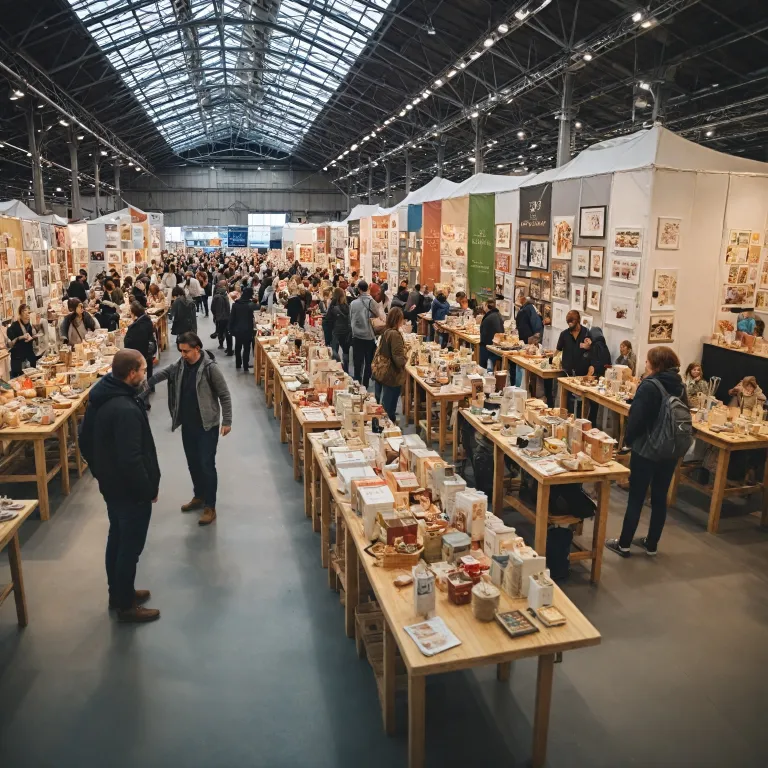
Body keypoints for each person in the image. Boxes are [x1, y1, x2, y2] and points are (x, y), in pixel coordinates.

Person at [80, 349, 161, 623]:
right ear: (131, 373)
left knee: (117, 538)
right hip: (129, 491)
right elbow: (131, 459)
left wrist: (101, 472)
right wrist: (147, 489)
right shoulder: (124, 409)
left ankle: (118, 592)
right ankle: (126, 606)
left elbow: (84, 440)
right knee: (129, 547)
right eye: (143, 370)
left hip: (112, 487)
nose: (145, 374)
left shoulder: (102, 397)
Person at [606, 346, 688, 557]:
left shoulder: (649, 386)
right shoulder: (680, 386)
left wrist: (628, 441)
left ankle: (624, 544)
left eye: (648, 360)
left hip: (646, 449)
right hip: (670, 450)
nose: (645, 363)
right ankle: (652, 544)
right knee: (660, 497)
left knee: (636, 497)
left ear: (656, 364)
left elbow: (637, 419)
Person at [147, 332, 232, 526]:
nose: (183, 354)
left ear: (197, 349)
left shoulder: (210, 368)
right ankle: (199, 496)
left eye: (186, 351)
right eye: (181, 351)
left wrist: (227, 420)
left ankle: (210, 506)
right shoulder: (180, 365)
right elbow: (163, 374)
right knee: (193, 463)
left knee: (206, 464)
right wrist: (143, 385)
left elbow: (224, 394)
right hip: (188, 424)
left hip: (207, 425)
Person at [372, 307, 407, 423]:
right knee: (390, 404)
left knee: (387, 401)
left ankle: (387, 422)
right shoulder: (395, 334)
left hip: (386, 371)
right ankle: (387, 424)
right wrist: (406, 362)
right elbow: (398, 358)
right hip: (392, 374)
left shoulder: (386, 332)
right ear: (398, 319)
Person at [349, 280, 381, 387]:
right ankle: (366, 385)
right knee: (368, 363)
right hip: (369, 336)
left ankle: (357, 384)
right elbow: (378, 315)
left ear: (358, 289)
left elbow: (351, 318)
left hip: (356, 336)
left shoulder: (353, 303)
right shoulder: (372, 302)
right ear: (367, 289)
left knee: (357, 363)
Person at [228, 286, 259, 372]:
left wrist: (230, 329)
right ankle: (245, 366)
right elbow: (259, 308)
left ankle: (238, 364)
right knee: (246, 348)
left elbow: (232, 318)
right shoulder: (251, 305)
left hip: (237, 330)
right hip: (248, 330)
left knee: (238, 347)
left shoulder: (236, 304)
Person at [124, 301, 156, 381]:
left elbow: (128, 344)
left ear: (134, 313)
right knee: (149, 373)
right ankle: (150, 385)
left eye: (130, 312)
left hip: (140, 355)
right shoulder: (147, 321)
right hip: (149, 351)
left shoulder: (135, 327)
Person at [7, 304, 38, 376]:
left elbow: (33, 337)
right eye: (24, 311)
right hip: (18, 358)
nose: (27, 313)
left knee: (33, 377)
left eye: (28, 311)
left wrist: (33, 337)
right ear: (20, 313)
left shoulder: (29, 325)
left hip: (29, 356)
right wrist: (21, 337)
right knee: (19, 379)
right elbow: (10, 344)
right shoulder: (14, 326)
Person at [328, 287, 351, 372]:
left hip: (336, 331)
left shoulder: (333, 307)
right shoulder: (347, 306)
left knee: (334, 351)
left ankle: (337, 368)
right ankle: (346, 370)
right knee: (346, 351)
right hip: (346, 331)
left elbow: (328, 319)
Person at [479, 299, 504, 371]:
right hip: (496, 345)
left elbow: (484, 334)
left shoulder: (489, 317)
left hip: (489, 348)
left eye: (484, 305)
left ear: (487, 305)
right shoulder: (497, 314)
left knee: (484, 368)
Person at [210, 280, 233, 355]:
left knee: (220, 331)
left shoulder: (216, 297)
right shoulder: (226, 296)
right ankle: (229, 349)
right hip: (227, 317)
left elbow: (212, 308)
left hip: (219, 318)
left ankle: (221, 344)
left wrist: (215, 315)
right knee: (228, 333)